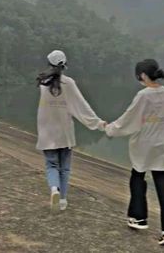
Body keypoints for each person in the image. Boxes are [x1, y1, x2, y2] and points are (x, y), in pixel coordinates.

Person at [105, 59, 164, 245]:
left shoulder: (144, 95)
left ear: (143, 75)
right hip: (163, 145)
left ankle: (139, 217)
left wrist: (110, 129)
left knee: (137, 176)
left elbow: (129, 119)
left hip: (145, 144)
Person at [36, 50, 106, 211]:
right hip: (64, 132)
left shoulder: (43, 83)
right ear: (64, 65)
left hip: (47, 132)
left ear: (49, 64)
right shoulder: (69, 83)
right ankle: (62, 200)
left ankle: (54, 188)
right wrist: (98, 123)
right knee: (65, 168)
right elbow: (81, 107)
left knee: (51, 165)